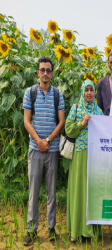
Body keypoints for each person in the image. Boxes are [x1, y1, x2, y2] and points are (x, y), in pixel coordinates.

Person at [23, 56, 65, 245]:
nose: (45, 73)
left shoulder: (58, 95)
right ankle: (31, 230)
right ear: (37, 72)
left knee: (51, 192)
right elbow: (26, 121)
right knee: (33, 191)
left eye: (49, 70)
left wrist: (47, 141)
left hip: (52, 149)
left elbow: (61, 122)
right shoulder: (29, 93)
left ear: (52, 73)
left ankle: (51, 228)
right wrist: (39, 141)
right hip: (35, 149)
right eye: (43, 70)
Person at [65, 80, 104, 241]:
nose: (89, 93)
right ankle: (77, 230)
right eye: (86, 90)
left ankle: (90, 231)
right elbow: (68, 129)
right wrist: (82, 123)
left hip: (94, 156)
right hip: (80, 155)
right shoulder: (76, 108)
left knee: (91, 191)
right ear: (82, 92)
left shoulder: (98, 111)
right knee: (79, 190)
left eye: (91, 90)